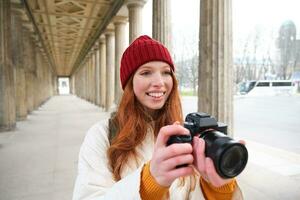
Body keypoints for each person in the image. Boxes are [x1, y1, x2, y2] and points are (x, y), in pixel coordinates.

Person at [72, 35, 244, 200]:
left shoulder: (185, 132)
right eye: (146, 72)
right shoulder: (101, 135)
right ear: (129, 83)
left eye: (166, 72)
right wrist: (149, 181)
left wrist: (219, 189)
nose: (159, 82)